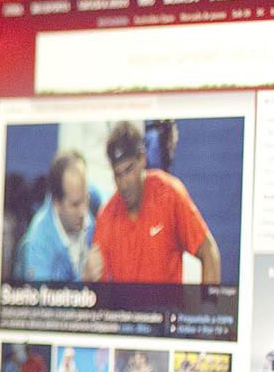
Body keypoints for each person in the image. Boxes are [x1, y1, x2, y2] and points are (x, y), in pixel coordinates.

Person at [88, 119, 225, 285]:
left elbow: (209, 252)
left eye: (129, 169)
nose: (124, 183)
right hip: (125, 302)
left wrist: (207, 301)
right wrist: (89, 279)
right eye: (118, 174)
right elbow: (97, 286)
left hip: (167, 302)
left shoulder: (170, 194)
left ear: (142, 159)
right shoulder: (106, 216)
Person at [14, 148, 100, 282]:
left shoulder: (85, 194)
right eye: (75, 205)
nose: (84, 211)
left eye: (86, 199)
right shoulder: (37, 246)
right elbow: (43, 295)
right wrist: (84, 280)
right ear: (57, 203)